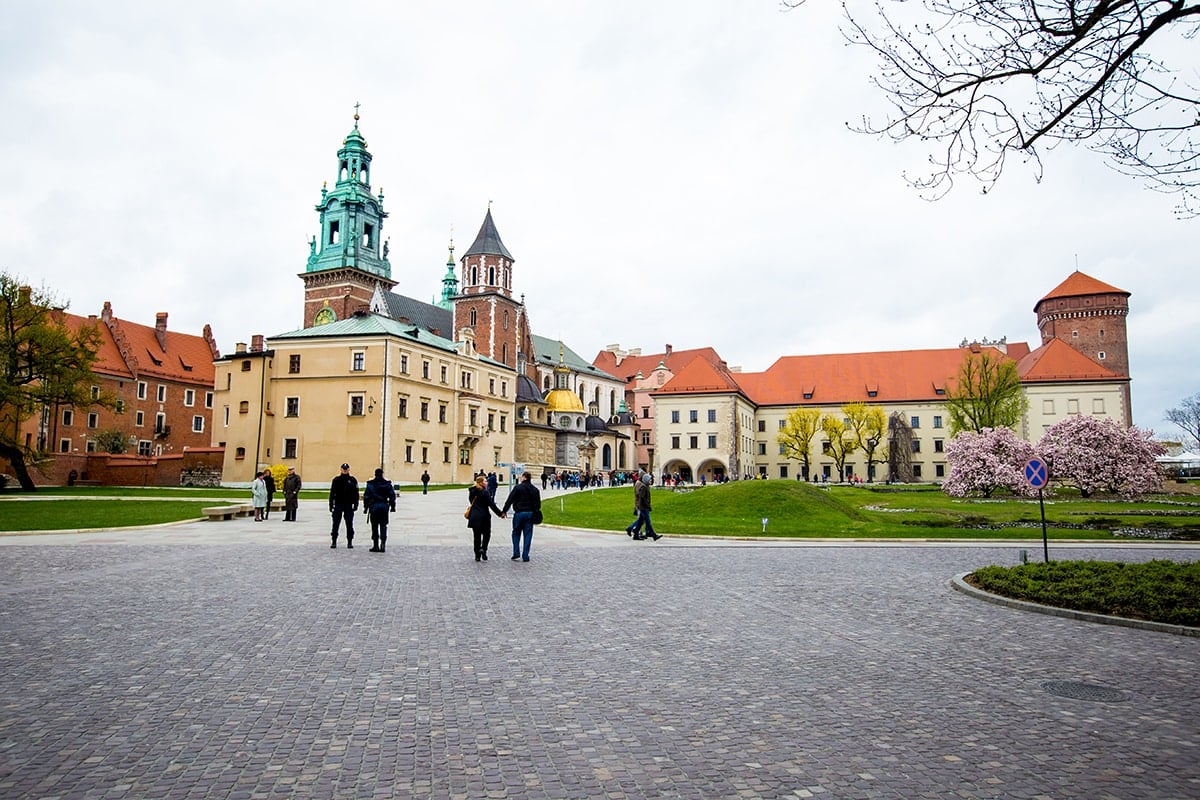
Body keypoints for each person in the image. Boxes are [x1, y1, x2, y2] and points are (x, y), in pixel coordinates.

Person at [502, 470, 541, 562]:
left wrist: (504, 511)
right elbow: (538, 505)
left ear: (524, 477)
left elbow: (510, 499)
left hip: (519, 513)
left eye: (521, 477)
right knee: (528, 534)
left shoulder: (518, 488)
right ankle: (525, 555)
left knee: (516, 532)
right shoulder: (535, 490)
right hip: (529, 514)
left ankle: (516, 552)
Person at [466, 473, 505, 562]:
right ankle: (483, 549)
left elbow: (471, 502)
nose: (487, 482)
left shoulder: (472, 491)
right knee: (486, 534)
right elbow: (491, 504)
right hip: (484, 516)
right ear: (481, 483)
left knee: (476, 536)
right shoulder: (485, 492)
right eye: (485, 481)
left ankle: (477, 554)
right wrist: (500, 514)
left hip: (474, 516)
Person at [362, 468, 396, 553]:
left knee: (374, 526)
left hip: (374, 507)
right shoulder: (387, 484)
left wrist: (365, 508)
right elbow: (392, 496)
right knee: (383, 525)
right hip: (384, 506)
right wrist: (392, 506)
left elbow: (366, 497)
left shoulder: (370, 484)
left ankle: (376, 544)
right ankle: (383, 544)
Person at [329, 463, 359, 549]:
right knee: (335, 524)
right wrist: (331, 505)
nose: (345, 470)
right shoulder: (336, 480)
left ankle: (350, 541)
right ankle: (334, 541)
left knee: (349, 524)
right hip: (338, 504)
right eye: (343, 469)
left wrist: (356, 504)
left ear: (349, 469)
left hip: (348, 504)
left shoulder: (352, 480)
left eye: (346, 469)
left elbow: (356, 493)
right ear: (341, 469)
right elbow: (332, 493)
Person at [626, 472, 661, 541]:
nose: (650, 481)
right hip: (643, 507)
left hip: (641, 506)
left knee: (641, 521)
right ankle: (653, 534)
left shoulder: (643, 485)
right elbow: (642, 497)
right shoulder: (643, 486)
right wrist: (648, 506)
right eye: (649, 479)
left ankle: (634, 531)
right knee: (647, 521)